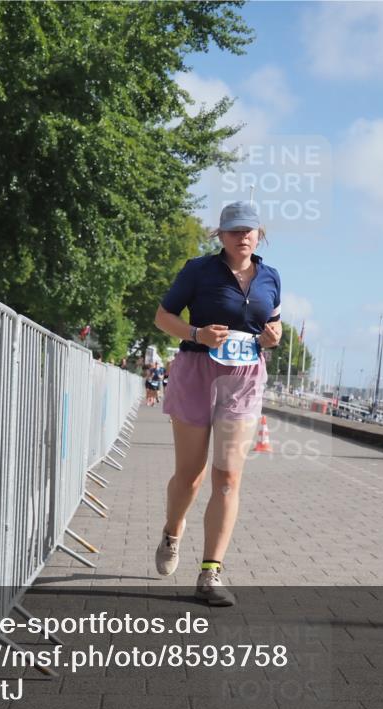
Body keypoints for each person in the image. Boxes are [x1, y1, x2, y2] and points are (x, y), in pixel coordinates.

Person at [153, 201, 281, 606]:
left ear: (260, 234)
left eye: (249, 229)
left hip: (243, 379)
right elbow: (162, 316)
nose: (242, 236)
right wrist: (196, 332)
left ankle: (210, 573)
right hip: (196, 371)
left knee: (227, 478)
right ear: (220, 235)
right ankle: (173, 532)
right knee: (190, 476)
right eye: (233, 230)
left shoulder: (272, 276)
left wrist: (273, 336)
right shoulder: (198, 270)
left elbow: (272, 321)